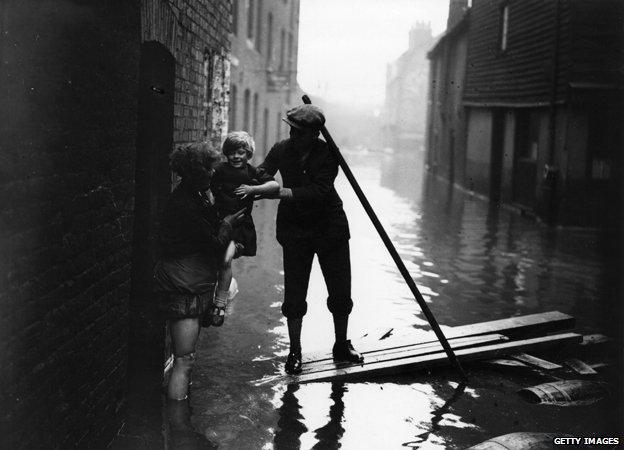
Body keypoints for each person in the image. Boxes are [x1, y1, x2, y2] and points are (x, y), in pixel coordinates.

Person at [257, 104, 364, 375]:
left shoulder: (329, 154)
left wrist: (280, 193)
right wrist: (256, 179)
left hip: (330, 228)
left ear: (315, 133)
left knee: (340, 291)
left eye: (300, 132)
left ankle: (341, 344)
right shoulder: (282, 148)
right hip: (295, 230)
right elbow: (263, 171)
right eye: (292, 130)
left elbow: (319, 190)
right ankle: (295, 351)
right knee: (294, 294)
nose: (294, 136)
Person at [153, 141, 245, 401]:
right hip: (183, 288)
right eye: (208, 169)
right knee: (184, 360)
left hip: (191, 285)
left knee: (185, 358)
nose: (213, 173)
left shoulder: (195, 197)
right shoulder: (185, 204)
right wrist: (227, 224)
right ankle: (177, 427)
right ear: (195, 172)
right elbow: (213, 243)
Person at [210, 131, 279, 326]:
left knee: (225, 260)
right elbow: (207, 185)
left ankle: (220, 305)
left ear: (248, 154)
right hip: (218, 223)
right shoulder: (219, 170)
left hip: (239, 228)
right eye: (232, 152)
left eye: (241, 152)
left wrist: (253, 189)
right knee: (216, 260)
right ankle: (220, 295)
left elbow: (274, 185)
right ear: (226, 153)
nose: (236, 157)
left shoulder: (252, 172)